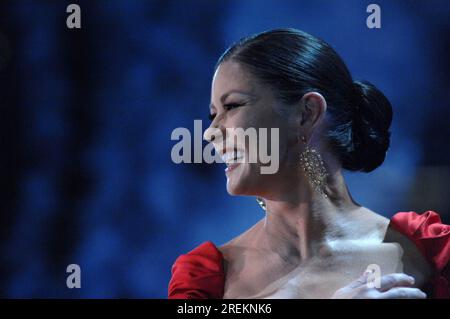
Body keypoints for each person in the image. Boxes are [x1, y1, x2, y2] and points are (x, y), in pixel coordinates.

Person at [168, 28, 449, 299]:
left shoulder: (426, 249)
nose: (210, 132)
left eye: (231, 106)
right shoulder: (207, 279)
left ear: (307, 113)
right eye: (213, 114)